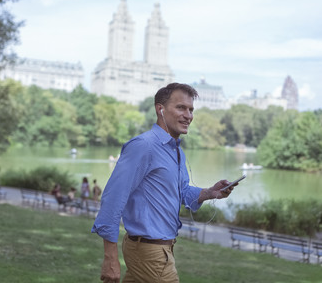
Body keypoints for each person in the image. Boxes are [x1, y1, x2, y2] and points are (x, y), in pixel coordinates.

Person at [91, 83, 236, 283]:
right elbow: (113, 199)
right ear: (160, 109)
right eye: (181, 108)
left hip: (160, 248)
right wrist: (110, 256)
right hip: (150, 253)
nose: (188, 115)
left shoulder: (176, 150)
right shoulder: (143, 146)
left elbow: (181, 191)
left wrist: (210, 192)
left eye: (191, 109)